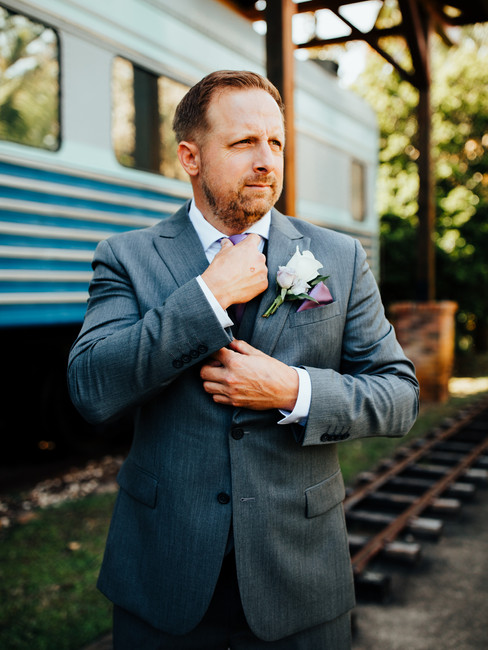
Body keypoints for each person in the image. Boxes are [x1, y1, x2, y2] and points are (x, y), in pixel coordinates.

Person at [68, 70, 419, 649]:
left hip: (300, 579)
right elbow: (91, 388)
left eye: (275, 143)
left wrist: (293, 391)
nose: (266, 161)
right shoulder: (125, 258)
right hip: (164, 575)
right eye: (243, 143)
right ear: (191, 156)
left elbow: (399, 396)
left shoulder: (339, 256)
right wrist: (206, 298)